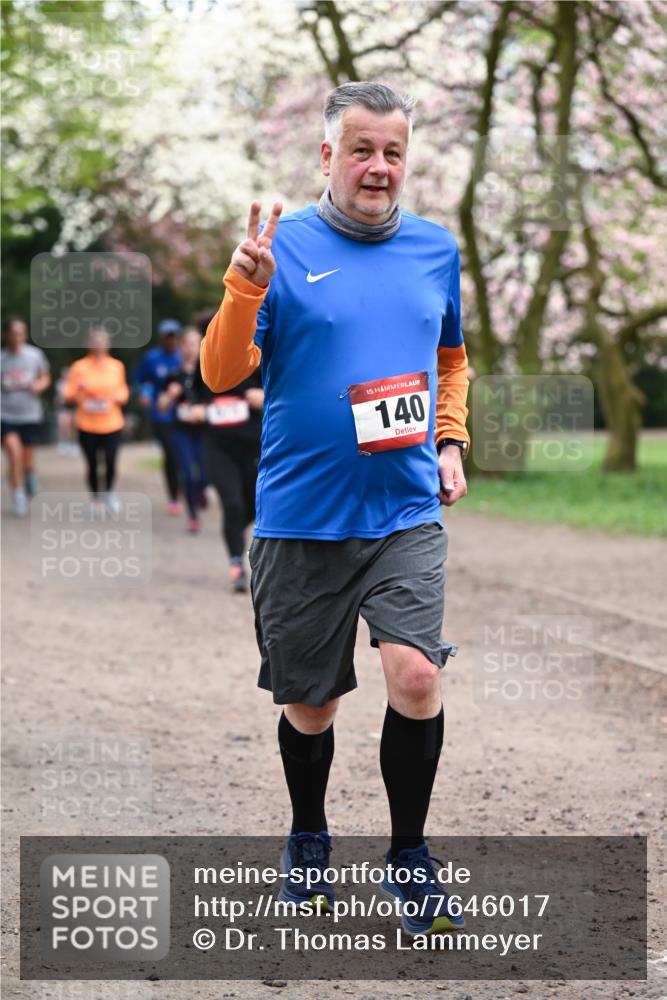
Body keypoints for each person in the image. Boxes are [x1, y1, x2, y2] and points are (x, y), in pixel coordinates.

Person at [201, 82, 470, 936]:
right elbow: (219, 374)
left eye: (392, 152)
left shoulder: (435, 249)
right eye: (361, 149)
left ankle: (408, 858)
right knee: (311, 705)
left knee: (416, 674)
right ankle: (308, 837)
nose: (378, 167)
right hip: (299, 517)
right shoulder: (281, 249)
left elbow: (450, 361)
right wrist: (244, 290)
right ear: (327, 156)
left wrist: (451, 440)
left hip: (402, 510)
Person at [195, 312, 263, 592]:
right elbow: (192, 400)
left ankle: (235, 532)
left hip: (252, 446)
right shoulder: (208, 358)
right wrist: (195, 409)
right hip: (218, 447)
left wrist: (264, 396)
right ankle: (236, 562)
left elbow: (283, 390)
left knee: (252, 507)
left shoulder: (257, 357)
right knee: (232, 504)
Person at [64, 328, 129, 512]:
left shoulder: (117, 366)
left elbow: (123, 392)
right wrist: (79, 390)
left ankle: (108, 492)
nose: (99, 345)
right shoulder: (79, 367)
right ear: (89, 344)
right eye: (95, 341)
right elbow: (68, 395)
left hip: (112, 423)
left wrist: (116, 397)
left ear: (108, 344)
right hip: (87, 423)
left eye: (102, 341)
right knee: (92, 463)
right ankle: (95, 498)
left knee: (110, 461)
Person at [157, 326, 207, 534]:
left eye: (195, 344)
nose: (191, 348)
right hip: (181, 431)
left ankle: (200, 490)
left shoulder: (209, 373)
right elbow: (161, 405)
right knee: (187, 472)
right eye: (187, 344)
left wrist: (203, 409)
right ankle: (193, 517)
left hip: (204, 431)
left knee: (205, 476)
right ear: (181, 347)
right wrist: (170, 396)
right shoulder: (173, 374)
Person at [1, 317, 51, 516]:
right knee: (14, 454)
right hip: (5, 413)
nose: (16, 337)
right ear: (5, 335)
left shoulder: (34, 355)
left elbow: (45, 376)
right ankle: (18, 495)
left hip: (30, 414)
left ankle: (29, 475)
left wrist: (40, 385)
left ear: (25, 335)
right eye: (12, 333)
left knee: (27, 461)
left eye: (20, 333)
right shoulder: (1, 359)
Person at [133, 318, 183, 513]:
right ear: (161, 338)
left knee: (187, 455)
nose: (170, 340)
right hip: (161, 415)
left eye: (172, 336)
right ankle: (174, 496)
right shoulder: (152, 358)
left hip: (184, 414)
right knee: (171, 455)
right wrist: (145, 394)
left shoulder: (183, 356)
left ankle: (193, 488)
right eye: (166, 336)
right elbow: (140, 380)